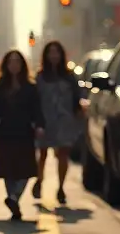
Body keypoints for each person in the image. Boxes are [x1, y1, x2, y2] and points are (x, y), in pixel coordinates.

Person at [0, 50, 42, 221]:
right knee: (8, 169)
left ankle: (14, 197)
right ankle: (13, 200)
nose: (14, 65)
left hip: (25, 132)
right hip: (5, 131)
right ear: (5, 65)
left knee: (25, 169)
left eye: (17, 61)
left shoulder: (30, 86)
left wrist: (40, 126)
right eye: (11, 61)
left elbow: (37, 109)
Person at [33, 40, 83, 205]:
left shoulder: (69, 77)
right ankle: (40, 181)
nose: (53, 55)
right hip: (45, 120)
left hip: (64, 120)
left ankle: (61, 187)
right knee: (43, 154)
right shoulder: (40, 77)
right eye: (50, 52)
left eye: (57, 52)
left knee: (63, 154)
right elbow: (35, 100)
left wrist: (78, 117)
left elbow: (77, 98)